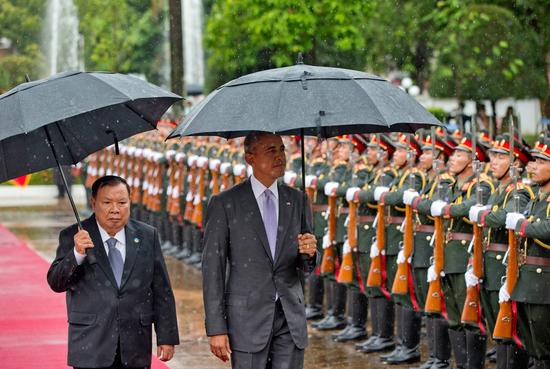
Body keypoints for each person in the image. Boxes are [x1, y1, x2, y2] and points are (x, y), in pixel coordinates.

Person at [201, 132, 317, 369]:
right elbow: (212, 268)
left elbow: (305, 265)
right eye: (271, 151)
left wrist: (310, 253)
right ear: (250, 158)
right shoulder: (226, 203)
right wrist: (216, 328)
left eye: (282, 150)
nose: (280, 157)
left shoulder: (297, 200)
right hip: (247, 320)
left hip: (289, 317)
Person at [47, 175, 179, 369]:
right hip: (91, 344)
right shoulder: (73, 236)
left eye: (122, 202)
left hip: (135, 344)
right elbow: (56, 282)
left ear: (130, 202)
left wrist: (166, 336)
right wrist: (76, 254)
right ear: (94, 203)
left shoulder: (146, 235)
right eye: (107, 202)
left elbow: (161, 289)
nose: (115, 210)